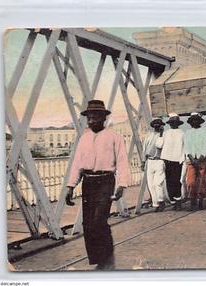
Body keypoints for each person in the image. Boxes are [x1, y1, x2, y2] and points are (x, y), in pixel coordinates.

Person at [65, 100, 131, 270]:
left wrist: (122, 185)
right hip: (88, 182)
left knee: (99, 221)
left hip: (105, 181)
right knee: (88, 223)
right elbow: (77, 164)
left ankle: (106, 257)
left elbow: (123, 162)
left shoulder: (114, 138)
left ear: (103, 118)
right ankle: (98, 258)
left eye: (94, 118)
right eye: (88, 118)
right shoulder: (84, 139)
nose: (91, 121)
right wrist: (70, 186)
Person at [184, 112, 206, 211]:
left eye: (196, 120)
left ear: (199, 121)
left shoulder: (204, 132)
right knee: (190, 181)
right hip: (191, 160)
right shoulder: (187, 133)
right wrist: (191, 158)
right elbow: (186, 147)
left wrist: (200, 158)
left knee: (201, 181)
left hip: (201, 160)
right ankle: (192, 199)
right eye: (192, 120)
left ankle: (200, 200)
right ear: (190, 122)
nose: (194, 122)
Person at [160, 113, 185, 210]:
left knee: (176, 181)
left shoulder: (182, 133)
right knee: (169, 182)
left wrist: (182, 159)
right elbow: (159, 145)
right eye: (171, 122)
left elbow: (184, 147)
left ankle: (178, 201)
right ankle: (173, 201)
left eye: (175, 122)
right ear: (170, 123)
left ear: (178, 123)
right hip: (167, 160)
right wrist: (161, 134)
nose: (173, 124)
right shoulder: (166, 133)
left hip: (177, 160)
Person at [142, 118, 166, 212]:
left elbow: (160, 146)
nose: (156, 125)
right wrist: (143, 161)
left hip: (159, 160)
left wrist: (161, 134)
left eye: (158, 124)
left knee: (158, 183)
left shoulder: (163, 136)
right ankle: (155, 204)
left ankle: (161, 201)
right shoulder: (149, 135)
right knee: (151, 184)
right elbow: (145, 149)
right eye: (155, 124)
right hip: (150, 161)